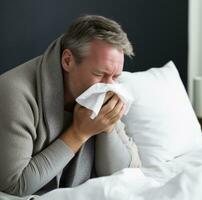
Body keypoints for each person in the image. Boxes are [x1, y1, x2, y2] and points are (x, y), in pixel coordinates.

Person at [0, 15, 141, 197]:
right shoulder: (13, 92)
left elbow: (125, 174)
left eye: (115, 77)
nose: (109, 87)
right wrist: (79, 133)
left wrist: (107, 127)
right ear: (68, 60)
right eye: (99, 74)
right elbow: (14, 185)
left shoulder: (107, 92)